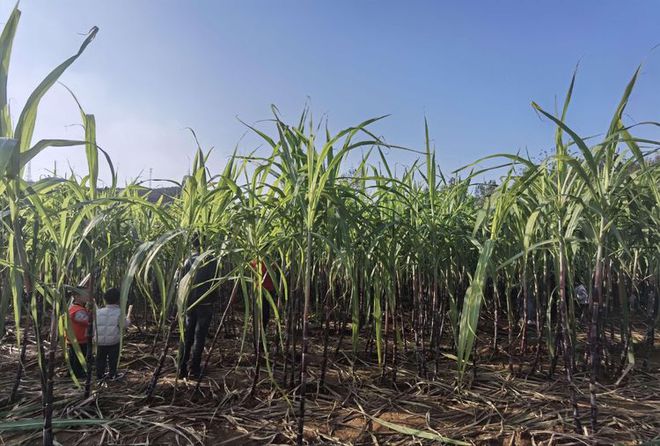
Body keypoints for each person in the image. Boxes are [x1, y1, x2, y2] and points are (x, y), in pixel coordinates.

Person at [178, 235, 219, 379]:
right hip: (205, 304)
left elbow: (181, 281)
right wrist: (214, 299)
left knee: (187, 336)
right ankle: (194, 369)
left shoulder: (187, 260)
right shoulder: (211, 260)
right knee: (199, 336)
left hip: (189, 303)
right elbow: (215, 282)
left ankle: (181, 368)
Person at [95, 288, 131, 380]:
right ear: (119, 300)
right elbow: (124, 325)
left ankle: (99, 375)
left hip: (99, 341)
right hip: (113, 341)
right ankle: (112, 374)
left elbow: (94, 325)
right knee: (113, 359)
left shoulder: (98, 312)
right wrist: (128, 319)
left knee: (100, 358)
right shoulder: (119, 312)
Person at [68, 290, 92, 379]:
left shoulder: (75, 308)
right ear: (77, 297)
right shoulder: (78, 310)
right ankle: (77, 374)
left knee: (74, 356)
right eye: (85, 295)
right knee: (78, 357)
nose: (87, 297)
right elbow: (86, 321)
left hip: (76, 338)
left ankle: (73, 372)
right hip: (79, 338)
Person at [250, 260, 276, 329]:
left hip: (268, 290)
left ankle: (262, 331)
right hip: (259, 291)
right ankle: (258, 332)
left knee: (266, 313)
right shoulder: (255, 261)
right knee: (260, 312)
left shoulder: (270, 260)